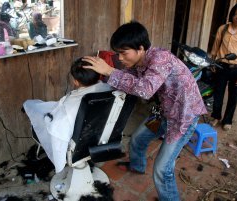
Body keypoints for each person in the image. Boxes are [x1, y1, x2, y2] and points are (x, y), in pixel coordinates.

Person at [83, 21, 207, 201]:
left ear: (140, 48)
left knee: (162, 170)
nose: (120, 58)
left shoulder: (160, 59)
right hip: (164, 112)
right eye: (118, 53)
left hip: (183, 117)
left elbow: (144, 90)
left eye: (123, 53)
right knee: (138, 139)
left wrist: (109, 70)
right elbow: (129, 80)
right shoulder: (139, 63)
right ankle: (138, 166)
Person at [23, 58, 112, 173]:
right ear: (99, 75)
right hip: (100, 135)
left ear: (75, 81)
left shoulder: (72, 105)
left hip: (79, 143)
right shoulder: (110, 90)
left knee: (34, 108)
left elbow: (57, 130)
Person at [210, 3, 237, 131]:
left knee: (233, 96)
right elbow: (215, 47)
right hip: (221, 66)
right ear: (232, 15)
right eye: (236, 14)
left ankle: (227, 120)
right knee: (218, 94)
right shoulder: (222, 29)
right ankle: (216, 116)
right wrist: (213, 63)